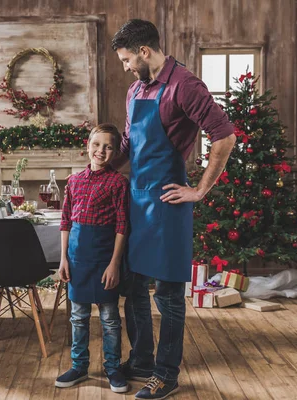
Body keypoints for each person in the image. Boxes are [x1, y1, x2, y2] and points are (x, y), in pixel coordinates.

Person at [111, 19, 236, 399]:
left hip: (167, 204)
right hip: (137, 200)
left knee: (166, 294)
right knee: (133, 287)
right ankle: (143, 360)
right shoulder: (135, 89)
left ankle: (166, 374)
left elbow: (225, 136)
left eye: (128, 58)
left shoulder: (185, 85)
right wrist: (97, 168)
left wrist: (199, 190)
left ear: (145, 52)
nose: (126, 66)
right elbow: (131, 144)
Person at [56, 123, 130, 394]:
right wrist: (63, 259)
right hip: (76, 258)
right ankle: (79, 366)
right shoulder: (73, 181)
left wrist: (114, 264)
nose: (101, 151)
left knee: (109, 317)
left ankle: (113, 368)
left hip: (103, 259)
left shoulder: (119, 183)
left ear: (115, 152)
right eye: (97, 145)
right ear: (87, 146)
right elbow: (65, 222)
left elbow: (122, 226)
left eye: (108, 147)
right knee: (78, 316)